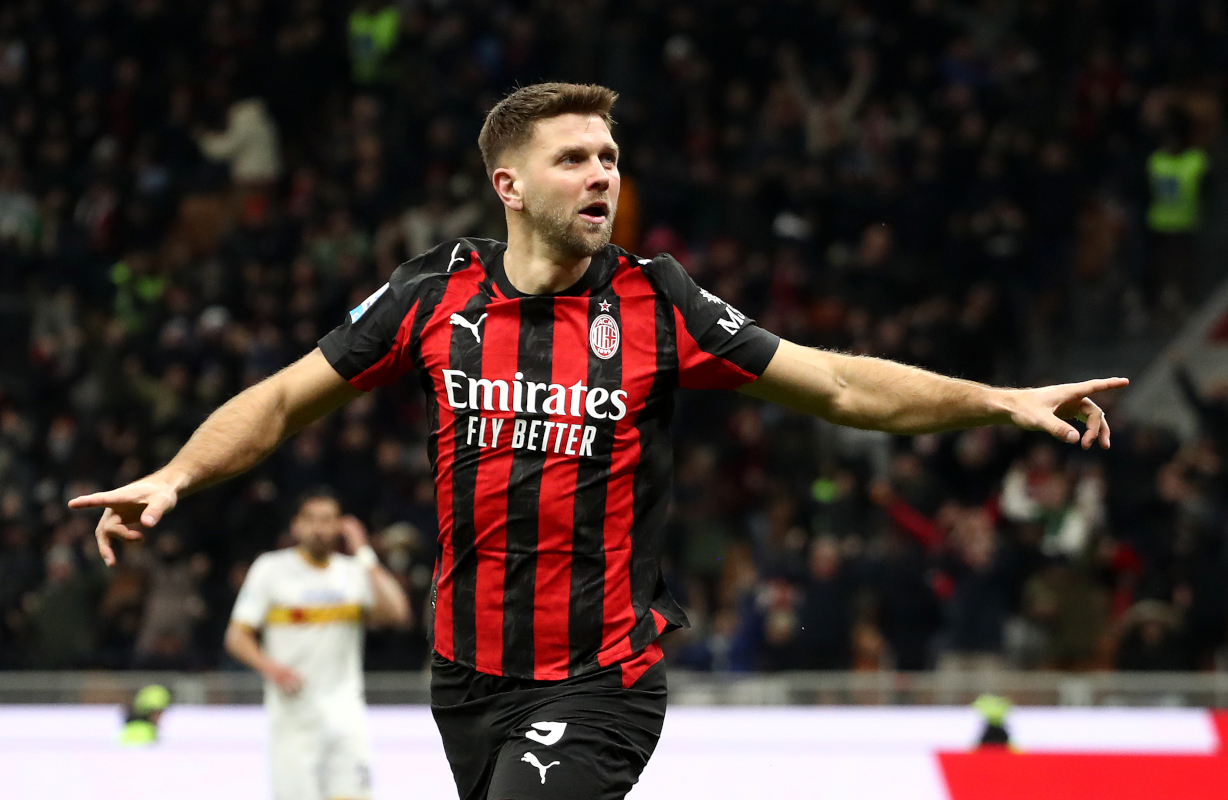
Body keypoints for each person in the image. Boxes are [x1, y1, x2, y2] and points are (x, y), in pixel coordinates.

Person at [71, 82, 1127, 800]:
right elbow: (287, 396)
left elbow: (841, 383)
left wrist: (996, 398)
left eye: (609, 156)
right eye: (573, 156)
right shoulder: (434, 291)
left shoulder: (659, 299)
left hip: (599, 674)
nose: (600, 174)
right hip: (464, 674)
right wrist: (177, 472)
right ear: (509, 185)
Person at [222, 488, 410, 800]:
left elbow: (397, 613)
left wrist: (363, 550)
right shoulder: (271, 569)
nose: (319, 528)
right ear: (295, 525)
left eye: (327, 520)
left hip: (346, 718)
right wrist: (271, 668)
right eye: (310, 520)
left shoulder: (353, 573)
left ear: (340, 526)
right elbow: (236, 636)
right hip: (294, 722)